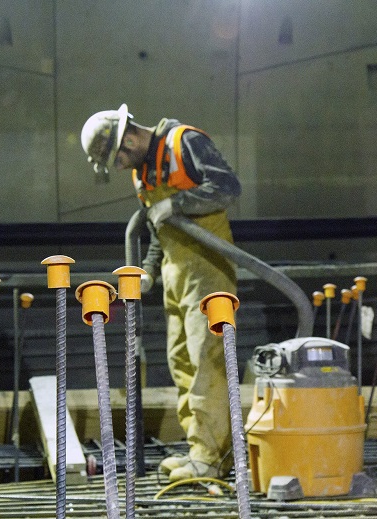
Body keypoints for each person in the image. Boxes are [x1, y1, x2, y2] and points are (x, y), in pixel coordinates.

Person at [80, 104, 241, 481]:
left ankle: (211, 458)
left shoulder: (185, 142)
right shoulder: (142, 175)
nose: (120, 167)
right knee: (182, 362)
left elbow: (228, 188)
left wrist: (179, 202)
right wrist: (149, 273)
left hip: (209, 270)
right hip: (175, 276)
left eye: (117, 158)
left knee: (206, 364)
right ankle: (204, 451)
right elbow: (157, 233)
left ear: (130, 137)